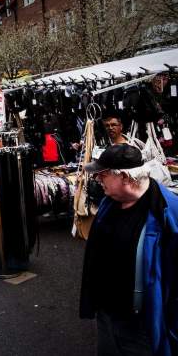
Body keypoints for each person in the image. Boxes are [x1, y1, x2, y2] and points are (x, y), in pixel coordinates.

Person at [80, 144, 178, 356]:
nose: (97, 179)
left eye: (102, 174)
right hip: (106, 315)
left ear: (124, 177)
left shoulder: (168, 211)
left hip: (140, 326)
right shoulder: (109, 203)